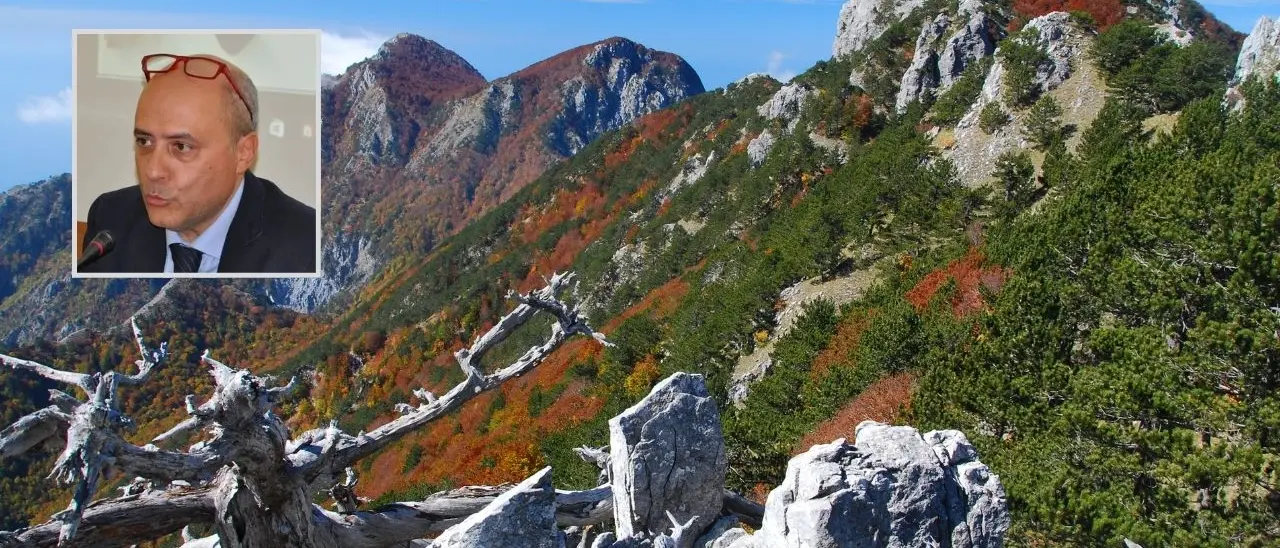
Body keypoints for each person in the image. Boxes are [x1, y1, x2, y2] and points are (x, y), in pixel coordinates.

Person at [78, 53, 316, 274]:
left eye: (181, 147)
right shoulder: (111, 218)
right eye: (144, 141)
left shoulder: (308, 247)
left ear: (244, 153)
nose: (152, 171)